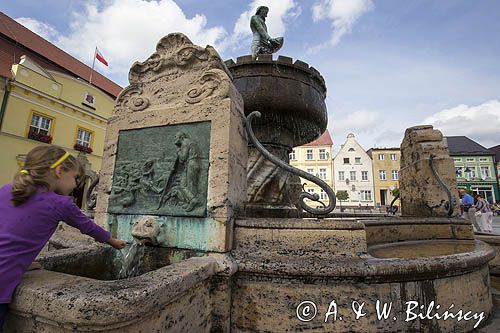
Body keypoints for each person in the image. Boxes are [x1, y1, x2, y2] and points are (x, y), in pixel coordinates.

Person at [0, 146, 126, 332]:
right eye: (75, 177)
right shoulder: (61, 203)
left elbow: (10, 235)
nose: (76, 185)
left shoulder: (6, 190)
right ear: (59, 171)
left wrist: (24, 262)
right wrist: (113, 241)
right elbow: (89, 227)